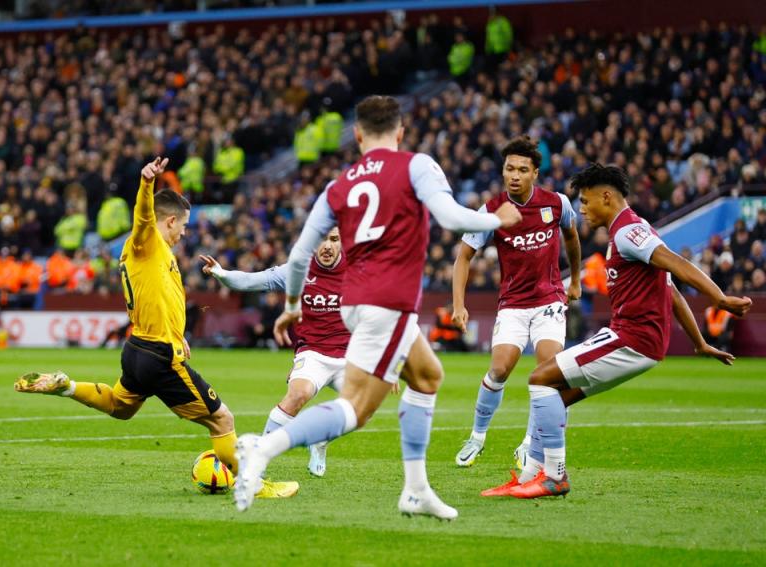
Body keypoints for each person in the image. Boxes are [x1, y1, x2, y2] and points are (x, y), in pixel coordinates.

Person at [233, 95, 522, 518]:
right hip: (386, 302)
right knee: (356, 408)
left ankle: (416, 489)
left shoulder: (340, 184)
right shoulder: (416, 165)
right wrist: (498, 219)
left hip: (360, 302)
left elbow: (298, 258)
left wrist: (292, 303)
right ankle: (261, 450)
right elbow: (450, 215)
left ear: (358, 135)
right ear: (400, 133)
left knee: (427, 377)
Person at [14, 157, 297, 499]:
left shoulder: (158, 253)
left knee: (121, 406)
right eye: (184, 226)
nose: (185, 233)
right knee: (222, 420)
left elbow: (162, 298)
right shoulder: (147, 242)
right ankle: (256, 486)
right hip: (159, 356)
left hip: (139, 349)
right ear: (171, 220)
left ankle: (67, 386)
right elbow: (145, 218)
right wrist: (146, 184)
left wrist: (179, 336)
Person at [481, 164, 751, 499]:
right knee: (557, 395)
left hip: (632, 339)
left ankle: (554, 477)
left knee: (540, 379)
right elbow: (669, 289)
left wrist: (720, 298)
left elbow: (675, 265)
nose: (581, 209)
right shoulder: (634, 230)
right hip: (634, 340)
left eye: (585, 200)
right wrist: (699, 343)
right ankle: (528, 476)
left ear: (606, 196)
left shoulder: (627, 232)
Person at [452, 136, 582, 468]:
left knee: (548, 372)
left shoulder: (557, 204)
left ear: (535, 173)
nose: (514, 175)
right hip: (512, 304)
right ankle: (477, 437)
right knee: (499, 368)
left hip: (549, 301)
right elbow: (463, 257)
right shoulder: (492, 210)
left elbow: (571, 236)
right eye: (509, 168)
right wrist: (458, 305)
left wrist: (576, 279)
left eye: (522, 170)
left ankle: (528, 443)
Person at [201, 227, 348, 477]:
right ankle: (257, 460)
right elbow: (252, 281)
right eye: (320, 240)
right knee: (297, 395)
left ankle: (320, 438)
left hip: (350, 356)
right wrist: (221, 273)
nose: (326, 246)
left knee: (365, 405)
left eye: (333, 240)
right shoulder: (298, 270)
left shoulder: (360, 269)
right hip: (313, 353)